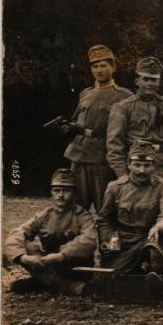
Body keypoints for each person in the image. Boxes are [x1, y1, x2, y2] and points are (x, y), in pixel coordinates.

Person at [62, 44, 133, 211]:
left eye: (103, 65)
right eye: (95, 66)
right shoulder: (85, 93)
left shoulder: (125, 96)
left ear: (113, 67)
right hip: (78, 158)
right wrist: (69, 128)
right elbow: (76, 120)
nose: (99, 70)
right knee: (76, 209)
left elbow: (127, 132)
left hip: (102, 160)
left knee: (105, 210)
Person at [4, 169, 96, 296]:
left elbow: (90, 239)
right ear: (51, 192)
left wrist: (62, 255)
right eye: (56, 190)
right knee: (25, 245)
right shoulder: (44, 215)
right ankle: (65, 286)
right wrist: (23, 257)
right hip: (50, 266)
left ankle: (43, 282)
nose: (61, 195)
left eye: (66, 191)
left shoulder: (82, 215)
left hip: (74, 268)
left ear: (74, 193)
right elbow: (17, 233)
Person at [97, 141, 163, 277]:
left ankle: (155, 273)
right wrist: (110, 239)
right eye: (137, 165)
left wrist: (158, 227)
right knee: (112, 276)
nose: (142, 170)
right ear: (128, 164)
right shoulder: (115, 187)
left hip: (150, 238)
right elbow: (105, 220)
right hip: (124, 241)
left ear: (154, 166)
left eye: (147, 165)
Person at [106, 56, 163, 179]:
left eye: (154, 80)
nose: (150, 83)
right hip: (134, 167)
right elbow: (114, 145)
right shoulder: (123, 107)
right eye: (146, 79)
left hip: (161, 167)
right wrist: (122, 174)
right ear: (137, 81)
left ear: (159, 82)